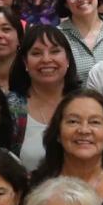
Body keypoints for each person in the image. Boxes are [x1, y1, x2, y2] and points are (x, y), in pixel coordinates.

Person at [9, 24, 79, 170]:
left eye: (55, 51)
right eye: (36, 53)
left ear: (68, 59)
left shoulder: (86, 104)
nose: (46, 59)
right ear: (25, 62)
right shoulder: (9, 107)